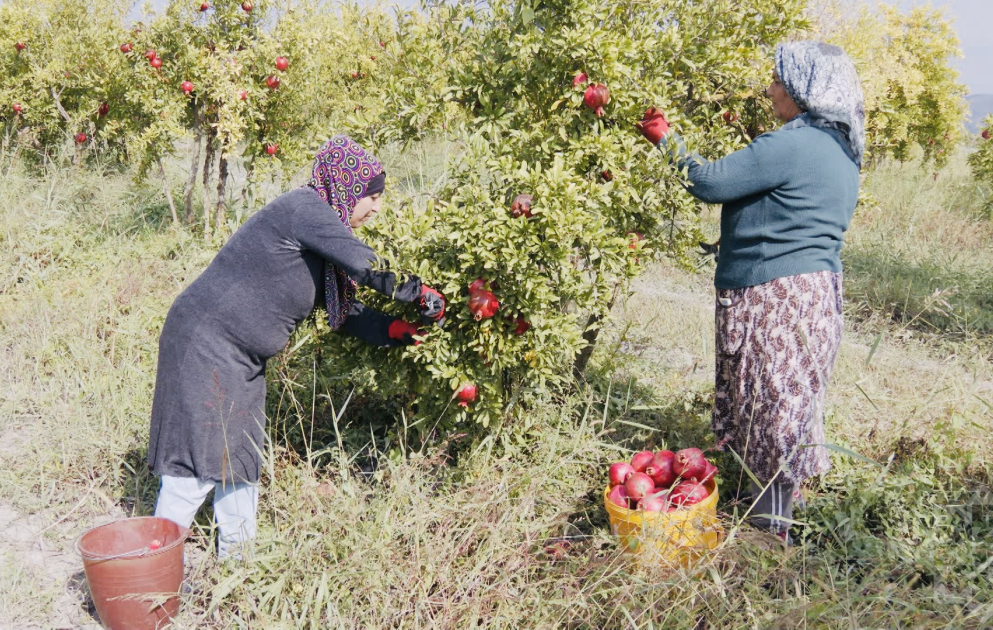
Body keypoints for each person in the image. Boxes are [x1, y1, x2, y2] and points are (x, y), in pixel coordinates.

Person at [147, 135, 445, 558]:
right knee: (194, 465)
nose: (377, 207)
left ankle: (238, 561)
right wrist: (419, 294)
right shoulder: (304, 209)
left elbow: (343, 311)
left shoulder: (319, 234)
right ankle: (153, 568)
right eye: (372, 196)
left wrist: (396, 329)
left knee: (240, 458)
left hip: (240, 357)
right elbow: (366, 265)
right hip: (206, 343)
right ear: (347, 187)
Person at [637, 41, 865, 542]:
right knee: (791, 400)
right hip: (815, 294)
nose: (770, 90)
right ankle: (779, 505)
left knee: (771, 403)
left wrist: (664, 138)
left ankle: (768, 533)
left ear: (804, 89)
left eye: (779, 82)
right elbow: (789, 215)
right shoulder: (843, 150)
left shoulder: (793, 142)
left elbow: (709, 181)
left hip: (776, 295)